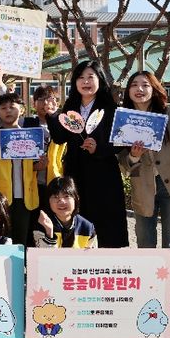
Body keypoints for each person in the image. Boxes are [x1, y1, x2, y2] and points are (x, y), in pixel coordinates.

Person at [46, 60, 128, 248]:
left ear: (100, 80)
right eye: (81, 77)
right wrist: (52, 115)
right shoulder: (71, 106)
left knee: (107, 224)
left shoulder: (110, 108)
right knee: (79, 221)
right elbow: (60, 138)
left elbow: (120, 143)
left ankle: (109, 261)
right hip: (76, 173)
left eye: (91, 77)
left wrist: (99, 148)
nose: (85, 82)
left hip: (104, 174)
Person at [118, 71, 170, 294]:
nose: (139, 89)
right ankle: (147, 292)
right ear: (128, 91)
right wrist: (134, 156)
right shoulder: (123, 119)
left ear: (155, 88)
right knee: (145, 241)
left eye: (145, 85)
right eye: (134, 85)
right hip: (143, 187)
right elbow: (124, 164)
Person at [0, 93, 40, 246]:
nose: (8, 111)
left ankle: (19, 263)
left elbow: (36, 165)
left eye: (12, 107)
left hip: (25, 197)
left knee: (20, 240)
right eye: (3, 108)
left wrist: (42, 163)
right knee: (1, 240)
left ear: (22, 110)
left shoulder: (31, 135)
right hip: (0, 197)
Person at [23, 85, 66, 216]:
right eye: (41, 99)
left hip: (57, 182)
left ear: (57, 103)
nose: (46, 103)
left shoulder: (64, 125)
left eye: (50, 99)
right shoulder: (25, 123)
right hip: (32, 184)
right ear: (34, 104)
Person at [33, 176, 97, 249]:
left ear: (76, 199)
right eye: (56, 197)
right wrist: (49, 232)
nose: (61, 201)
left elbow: (94, 255)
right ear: (48, 201)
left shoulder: (87, 227)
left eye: (66, 196)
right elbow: (44, 255)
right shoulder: (42, 225)